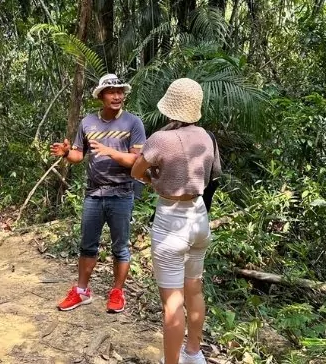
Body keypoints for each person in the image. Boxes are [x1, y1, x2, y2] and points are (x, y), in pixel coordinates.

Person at [131, 78, 221, 364]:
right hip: (199, 218)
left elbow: (136, 172)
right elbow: (213, 175)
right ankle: (193, 353)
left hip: (171, 219)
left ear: (169, 106)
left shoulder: (160, 139)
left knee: (172, 302)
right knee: (194, 290)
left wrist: (155, 179)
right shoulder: (207, 137)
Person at [50, 73, 146, 313]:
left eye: (120, 92)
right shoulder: (88, 122)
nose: (117, 96)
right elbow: (78, 155)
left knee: (120, 247)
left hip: (122, 193)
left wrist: (109, 151)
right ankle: (82, 291)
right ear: (101, 96)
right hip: (94, 194)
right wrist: (66, 153)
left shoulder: (133, 123)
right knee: (87, 245)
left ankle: (117, 292)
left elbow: (137, 161)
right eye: (112, 92)